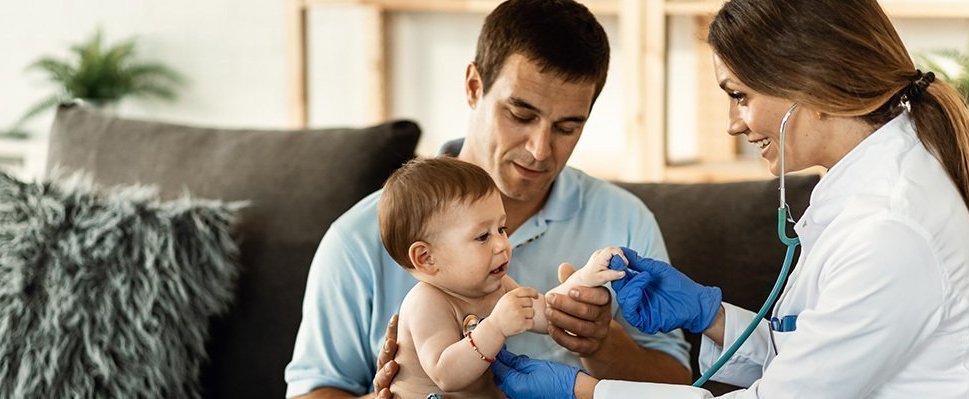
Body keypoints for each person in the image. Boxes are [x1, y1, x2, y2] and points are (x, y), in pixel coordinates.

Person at [488, 0, 969, 398]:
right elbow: (800, 360)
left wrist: (583, 390)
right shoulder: (863, 190)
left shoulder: (890, 229)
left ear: (809, 80)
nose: (732, 124)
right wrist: (708, 314)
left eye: (739, 95)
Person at [284, 1, 693, 397]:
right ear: (474, 86)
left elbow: (681, 385)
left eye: (566, 127)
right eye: (521, 115)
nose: (539, 149)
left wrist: (601, 344)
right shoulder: (358, 238)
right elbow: (312, 390)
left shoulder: (623, 220)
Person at [377, 157, 627, 398]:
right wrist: (495, 327)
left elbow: (550, 312)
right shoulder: (426, 302)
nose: (502, 245)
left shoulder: (497, 288)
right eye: (483, 236)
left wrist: (585, 277)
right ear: (426, 258)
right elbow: (446, 375)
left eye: (501, 229)